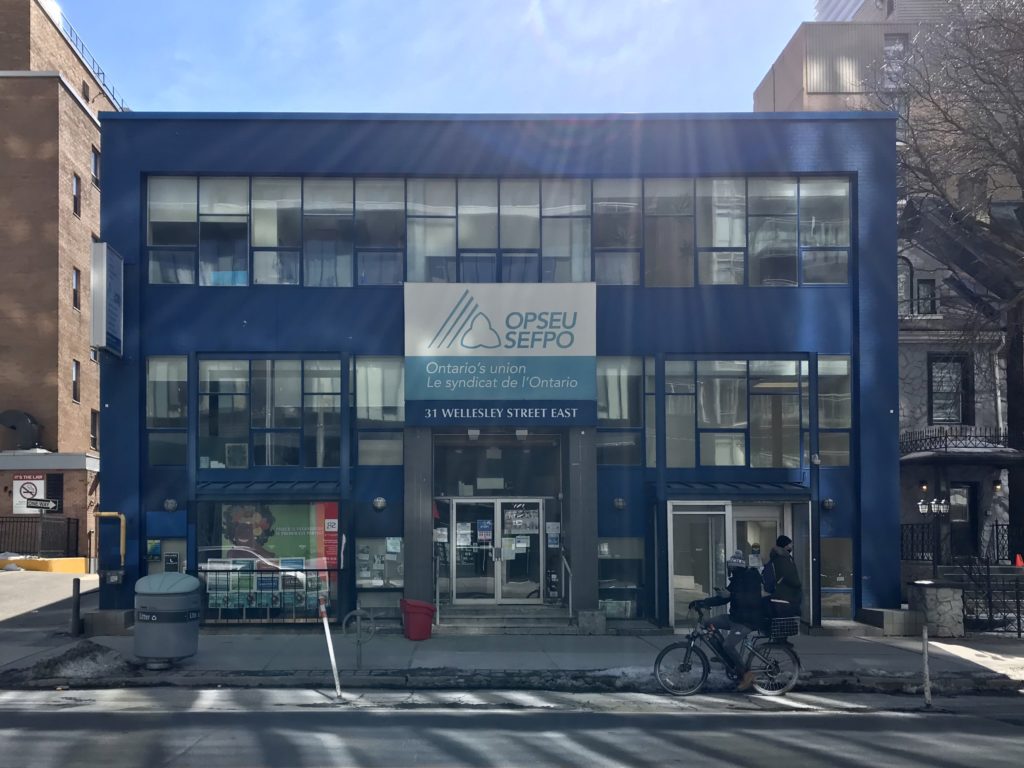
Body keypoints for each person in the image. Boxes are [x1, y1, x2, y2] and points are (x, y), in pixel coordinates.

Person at [695, 550, 768, 691]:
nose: (730, 571)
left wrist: (731, 594)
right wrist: (702, 602)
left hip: (748, 621)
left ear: (736, 567)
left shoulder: (752, 577)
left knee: (728, 645)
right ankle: (726, 657)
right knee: (708, 623)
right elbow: (724, 598)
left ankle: (747, 674)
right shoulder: (736, 580)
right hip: (735, 617)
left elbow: (752, 600)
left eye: (731, 568)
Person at [768, 535, 802, 618]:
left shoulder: (776, 557)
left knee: (780, 623)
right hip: (786, 596)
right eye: (790, 544)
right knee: (786, 624)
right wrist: (798, 584)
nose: (792, 546)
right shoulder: (783, 558)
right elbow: (790, 575)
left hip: (779, 595)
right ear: (785, 545)